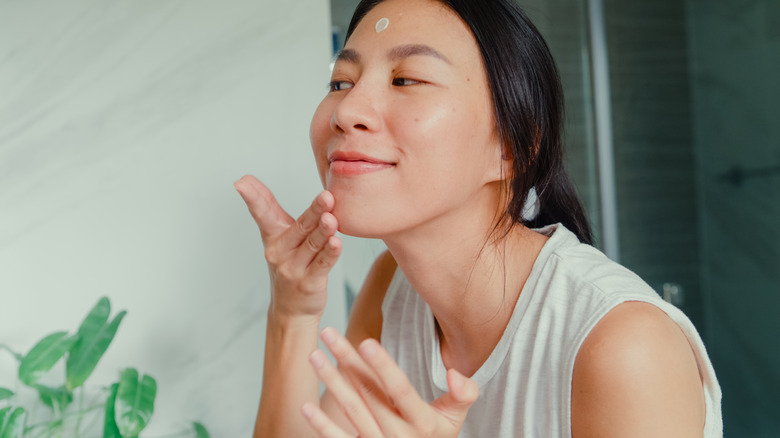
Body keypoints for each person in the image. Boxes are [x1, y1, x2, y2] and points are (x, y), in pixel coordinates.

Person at [235, 0, 722, 436]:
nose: (347, 110)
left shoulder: (625, 347)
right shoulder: (392, 288)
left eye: (406, 79)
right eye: (341, 82)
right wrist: (293, 313)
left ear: (511, 148)